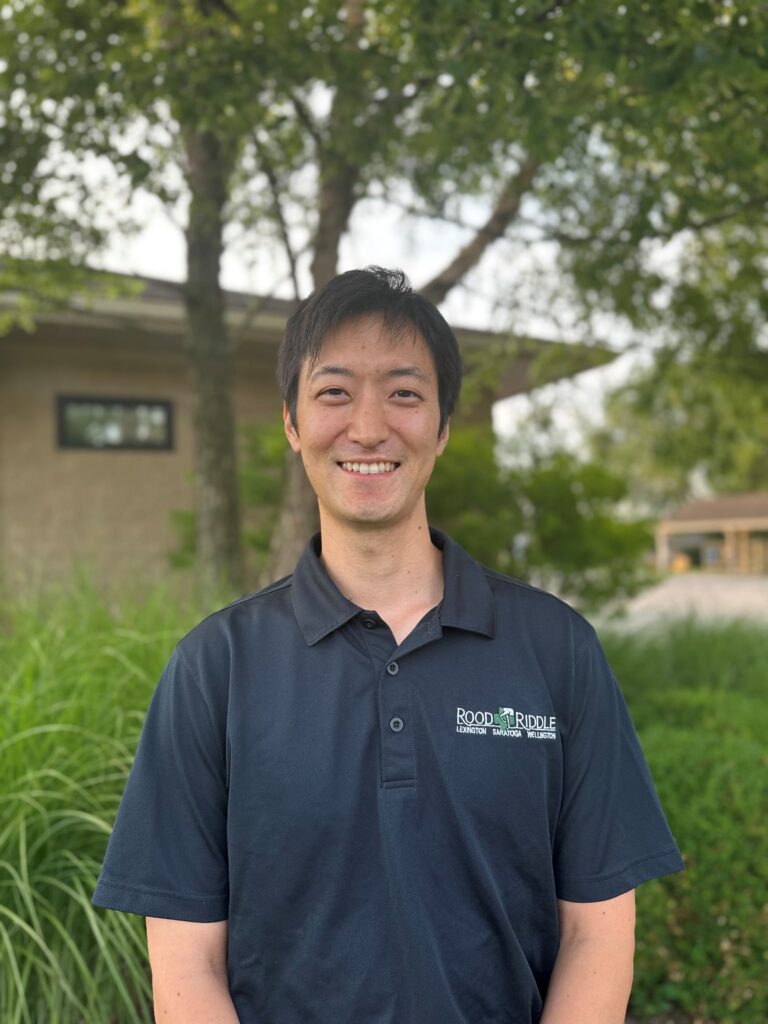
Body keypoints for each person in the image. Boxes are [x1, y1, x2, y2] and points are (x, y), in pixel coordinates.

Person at [93, 266, 684, 1024]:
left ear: (441, 426)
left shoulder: (556, 649)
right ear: (292, 423)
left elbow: (595, 934)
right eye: (334, 392)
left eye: (404, 393)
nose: (368, 427)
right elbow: (186, 963)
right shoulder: (215, 669)